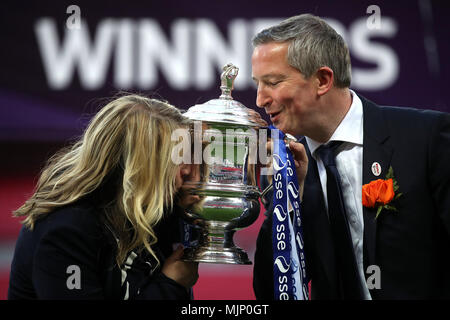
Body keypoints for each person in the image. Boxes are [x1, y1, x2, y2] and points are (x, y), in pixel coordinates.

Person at [252, 14, 450, 299]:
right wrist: (286, 200)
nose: (260, 99)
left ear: (322, 80)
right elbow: (272, 291)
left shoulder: (427, 139)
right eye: (258, 83)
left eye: (272, 82)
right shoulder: (288, 167)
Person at [8, 94, 200, 299]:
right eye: (179, 158)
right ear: (143, 166)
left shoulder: (145, 205)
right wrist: (170, 286)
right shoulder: (67, 230)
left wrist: (192, 213)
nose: (188, 171)